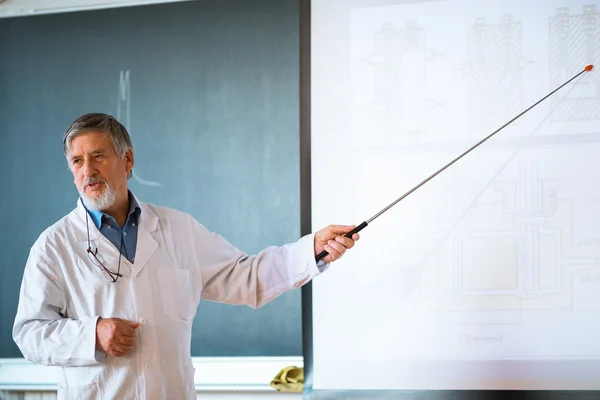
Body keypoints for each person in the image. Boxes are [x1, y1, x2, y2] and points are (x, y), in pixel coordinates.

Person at [12, 113, 359, 399]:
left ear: (128, 159)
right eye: (77, 161)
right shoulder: (54, 246)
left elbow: (247, 277)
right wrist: (92, 335)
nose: (88, 170)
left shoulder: (178, 230)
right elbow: (29, 333)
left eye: (98, 156)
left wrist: (310, 250)